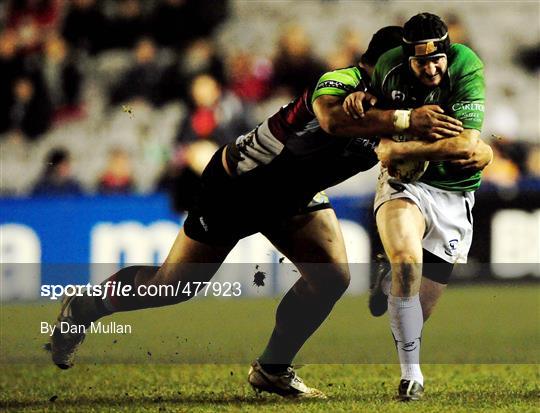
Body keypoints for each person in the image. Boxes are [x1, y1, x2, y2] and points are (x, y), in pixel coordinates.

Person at [48, 26, 485, 399]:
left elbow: (395, 152)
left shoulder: (393, 104)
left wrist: (476, 149)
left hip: (292, 197)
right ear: (386, 64)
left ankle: (272, 368)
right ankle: (83, 309)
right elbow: (335, 123)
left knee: (332, 278)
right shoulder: (340, 80)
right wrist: (406, 121)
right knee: (172, 287)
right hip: (238, 188)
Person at [361, 13, 489, 401]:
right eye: (421, 61)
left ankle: (389, 287)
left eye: (437, 59)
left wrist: (402, 148)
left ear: (448, 53)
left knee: (420, 308)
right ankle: (411, 376)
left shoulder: (467, 65)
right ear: (406, 58)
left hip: (454, 192)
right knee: (405, 261)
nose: (431, 68)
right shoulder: (387, 70)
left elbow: (465, 145)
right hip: (407, 184)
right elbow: (372, 126)